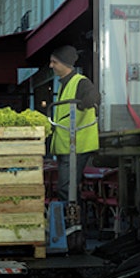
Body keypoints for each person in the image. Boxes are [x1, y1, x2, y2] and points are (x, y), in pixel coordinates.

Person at [49, 45, 100, 203]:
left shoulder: (81, 82)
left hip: (77, 144)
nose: (51, 66)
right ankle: (72, 219)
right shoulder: (64, 84)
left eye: (54, 62)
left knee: (67, 186)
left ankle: (73, 220)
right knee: (68, 186)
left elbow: (94, 97)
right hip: (66, 144)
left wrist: (83, 104)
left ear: (65, 64)